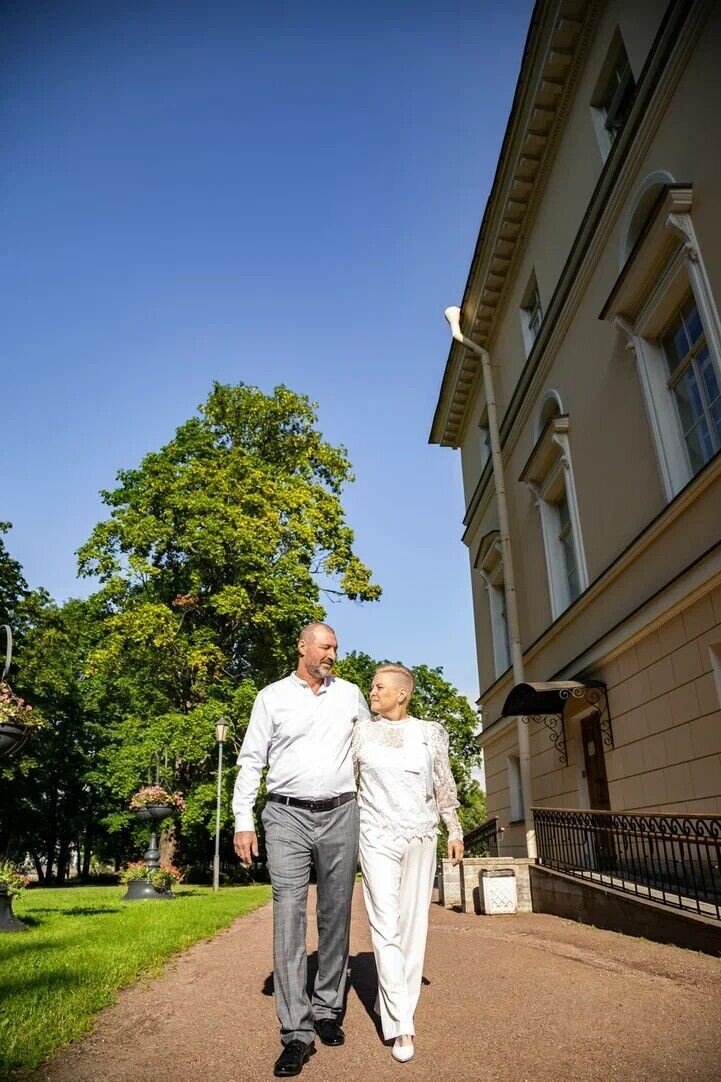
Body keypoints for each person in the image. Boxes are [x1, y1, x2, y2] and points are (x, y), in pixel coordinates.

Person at [233, 622, 370, 1078]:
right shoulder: (271, 697)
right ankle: (296, 1031)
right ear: (303, 647)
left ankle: (328, 1008)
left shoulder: (350, 695)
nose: (332, 653)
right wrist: (243, 821)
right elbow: (251, 762)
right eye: (325, 645)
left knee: (336, 913)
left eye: (336, 647)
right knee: (288, 914)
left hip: (341, 812)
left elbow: (369, 755)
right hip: (285, 814)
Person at [353, 663, 464, 1063]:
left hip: (420, 835)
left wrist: (454, 829)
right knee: (384, 924)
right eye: (371, 687)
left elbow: (443, 784)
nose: (372, 692)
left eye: (379, 687)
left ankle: (400, 1004)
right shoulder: (360, 732)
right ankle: (402, 1024)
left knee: (412, 926)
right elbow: (348, 783)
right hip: (376, 835)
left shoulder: (430, 732)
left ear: (402, 693)